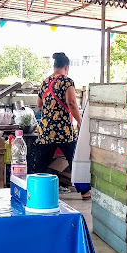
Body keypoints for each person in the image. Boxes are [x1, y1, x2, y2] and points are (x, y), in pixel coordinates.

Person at [35, 52, 89, 199]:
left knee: (41, 162)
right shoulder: (67, 82)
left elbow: (39, 105)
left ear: (54, 66)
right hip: (63, 130)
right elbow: (71, 103)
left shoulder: (45, 82)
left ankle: (35, 190)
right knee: (74, 159)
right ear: (67, 67)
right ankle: (84, 191)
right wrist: (80, 120)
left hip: (46, 130)